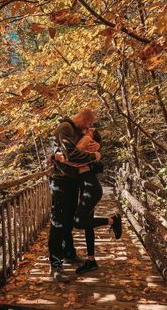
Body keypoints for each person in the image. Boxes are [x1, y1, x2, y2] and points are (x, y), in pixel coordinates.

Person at [55, 127, 122, 274]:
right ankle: (91, 261)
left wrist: (60, 158)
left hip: (91, 187)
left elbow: (75, 161)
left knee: (78, 222)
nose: (87, 129)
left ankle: (112, 221)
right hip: (87, 187)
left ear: (92, 136)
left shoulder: (88, 145)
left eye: (90, 130)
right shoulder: (87, 146)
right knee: (87, 225)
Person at [48, 108, 100, 282]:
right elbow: (72, 153)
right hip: (61, 182)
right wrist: (94, 156)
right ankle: (55, 265)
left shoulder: (77, 132)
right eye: (90, 124)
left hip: (72, 181)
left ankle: (68, 253)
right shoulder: (65, 128)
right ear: (85, 120)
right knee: (58, 222)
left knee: (69, 220)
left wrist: (95, 149)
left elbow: (74, 154)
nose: (90, 128)